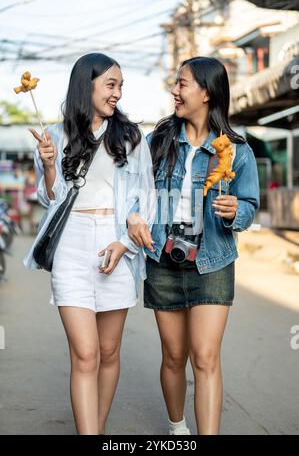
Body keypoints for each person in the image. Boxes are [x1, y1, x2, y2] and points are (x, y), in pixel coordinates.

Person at [24, 53, 155, 435]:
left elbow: (145, 200)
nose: (117, 93)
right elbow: (50, 201)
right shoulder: (54, 134)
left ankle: (97, 428)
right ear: (88, 84)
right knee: (85, 354)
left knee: (109, 351)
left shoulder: (130, 136)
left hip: (114, 245)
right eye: (110, 84)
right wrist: (49, 165)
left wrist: (124, 246)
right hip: (72, 245)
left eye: (120, 86)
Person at [128, 56, 260, 435]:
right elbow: (136, 192)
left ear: (207, 92)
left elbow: (250, 206)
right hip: (163, 259)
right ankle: (177, 429)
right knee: (173, 356)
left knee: (205, 357)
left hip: (212, 261)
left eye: (182, 84)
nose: (175, 90)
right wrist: (133, 217)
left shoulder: (236, 150)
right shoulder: (158, 142)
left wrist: (237, 209)